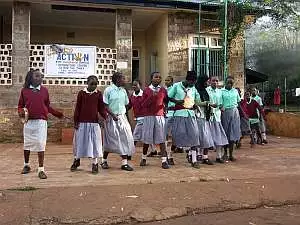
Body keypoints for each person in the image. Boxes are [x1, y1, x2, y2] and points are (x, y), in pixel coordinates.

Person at [18, 69, 64, 179]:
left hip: (41, 122)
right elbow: (20, 105)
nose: (40, 78)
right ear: (30, 78)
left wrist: (57, 114)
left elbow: (47, 106)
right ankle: (26, 165)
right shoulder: (24, 91)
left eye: (41, 76)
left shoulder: (44, 91)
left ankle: (41, 169)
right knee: (27, 144)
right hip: (28, 122)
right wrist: (20, 112)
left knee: (40, 144)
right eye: (37, 76)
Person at [70, 76, 107, 174]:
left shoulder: (98, 94)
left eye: (96, 84)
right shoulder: (81, 94)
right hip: (82, 123)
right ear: (87, 83)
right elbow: (78, 108)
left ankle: (94, 164)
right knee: (79, 143)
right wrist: (76, 121)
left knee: (95, 143)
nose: (94, 86)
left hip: (94, 123)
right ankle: (76, 160)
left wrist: (105, 117)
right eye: (92, 84)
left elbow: (101, 108)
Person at [102, 72, 135, 171]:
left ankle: (124, 163)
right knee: (110, 140)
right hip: (111, 118)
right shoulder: (108, 90)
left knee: (125, 137)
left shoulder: (123, 91)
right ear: (117, 80)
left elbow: (127, 104)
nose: (125, 80)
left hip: (122, 118)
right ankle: (104, 160)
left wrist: (122, 114)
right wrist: (112, 115)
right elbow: (105, 105)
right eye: (123, 78)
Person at [168, 71, 201, 168]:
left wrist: (195, 105)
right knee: (177, 136)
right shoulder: (177, 86)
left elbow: (197, 100)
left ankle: (194, 160)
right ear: (188, 80)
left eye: (194, 82)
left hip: (190, 114)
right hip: (179, 114)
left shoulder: (193, 88)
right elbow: (168, 97)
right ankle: (170, 156)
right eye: (192, 82)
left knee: (194, 135)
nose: (193, 84)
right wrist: (176, 101)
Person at [140, 72, 170, 169]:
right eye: (156, 77)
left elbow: (166, 101)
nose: (158, 79)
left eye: (160, 77)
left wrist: (164, 109)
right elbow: (143, 105)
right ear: (151, 79)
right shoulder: (146, 90)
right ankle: (143, 158)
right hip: (149, 116)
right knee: (147, 139)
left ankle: (164, 161)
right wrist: (151, 96)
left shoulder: (163, 90)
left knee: (161, 139)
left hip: (159, 116)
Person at [206, 76, 228, 163]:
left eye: (216, 81)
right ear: (210, 81)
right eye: (213, 81)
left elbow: (222, 104)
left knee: (219, 136)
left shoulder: (220, 92)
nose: (215, 82)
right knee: (207, 136)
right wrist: (210, 105)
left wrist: (222, 107)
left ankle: (219, 156)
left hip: (217, 116)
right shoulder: (207, 90)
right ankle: (205, 156)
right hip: (208, 117)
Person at [221, 76, 241, 161]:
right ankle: (225, 153)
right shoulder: (221, 91)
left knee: (232, 134)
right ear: (225, 82)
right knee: (225, 133)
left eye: (231, 83)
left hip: (234, 112)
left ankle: (231, 154)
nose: (230, 84)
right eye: (228, 82)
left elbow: (238, 103)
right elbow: (219, 102)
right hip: (225, 112)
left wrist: (243, 114)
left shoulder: (235, 91)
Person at [195, 76, 215, 165]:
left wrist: (210, 108)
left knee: (206, 137)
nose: (207, 83)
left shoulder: (205, 91)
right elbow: (195, 102)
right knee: (199, 137)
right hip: (198, 116)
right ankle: (197, 155)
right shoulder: (196, 91)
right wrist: (206, 103)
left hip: (205, 117)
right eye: (206, 81)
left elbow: (208, 102)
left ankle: (205, 157)